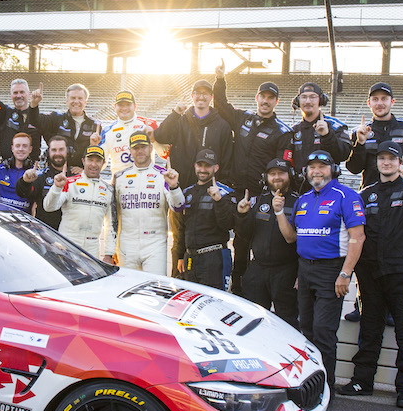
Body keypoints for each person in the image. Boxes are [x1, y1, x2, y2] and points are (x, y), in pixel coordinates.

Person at [339, 142, 403, 409]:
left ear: (400, 162)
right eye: (381, 158)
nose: (386, 163)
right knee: (369, 329)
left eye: (391, 159)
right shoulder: (365, 193)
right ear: (376, 162)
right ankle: (362, 380)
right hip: (370, 274)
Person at [345, 81, 403, 331]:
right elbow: (353, 167)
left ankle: (396, 307)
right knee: (367, 252)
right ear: (369, 103)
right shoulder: (361, 130)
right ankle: (363, 304)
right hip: (370, 202)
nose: (380, 103)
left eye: (385, 98)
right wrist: (359, 143)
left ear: (392, 102)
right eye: (375, 99)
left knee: (402, 253)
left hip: (402, 202)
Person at [279, 150, 365, 387]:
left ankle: (326, 389)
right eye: (312, 167)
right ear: (305, 172)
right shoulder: (303, 199)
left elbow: (358, 237)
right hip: (305, 271)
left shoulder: (346, 196)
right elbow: (296, 238)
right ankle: (308, 386)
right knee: (305, 330)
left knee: (324, 332)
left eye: (322, 166)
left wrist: (345, 274)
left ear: (333, 170)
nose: (317, 171)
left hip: (332, 271)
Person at [212, 62, 291, 295]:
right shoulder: (243, 119)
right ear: (257, 98)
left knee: (257, 243)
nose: (266, 101)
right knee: (238, 242)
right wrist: (220, 79)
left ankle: (255, 288)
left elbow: (281, 169)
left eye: (271, 98)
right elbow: (222, 105)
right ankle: (236, 287)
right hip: (236, 191)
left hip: (260, 195)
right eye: (263, 96)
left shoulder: (282, 131)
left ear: (276, 102)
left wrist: (274, 194)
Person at [235, 158, 299, 328]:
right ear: (266, 177)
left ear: (289, 175)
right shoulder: (257, 201)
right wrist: (242, 215)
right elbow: (244, 235)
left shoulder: (298, 201)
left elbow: (298, 239)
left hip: (286, 272)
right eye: (272, 174)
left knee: (287, 323)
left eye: (281, 173)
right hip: (258, 270)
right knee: (253, 322)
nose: (277, 177)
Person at [111, 131, 183, 274]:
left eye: (143, 147)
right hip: (127, 246)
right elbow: (113, 217)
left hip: (155, 245)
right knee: (128, 292)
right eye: (136, 148)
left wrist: (174, 186)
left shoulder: (164, 175)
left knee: (154, 292)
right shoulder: (119, 177)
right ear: (130, 151)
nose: (140, 151)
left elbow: (178, 207)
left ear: (151, 148)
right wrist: (111, 248)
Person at [171, 149, 237, 290]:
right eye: (200, 165)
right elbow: (182, 227)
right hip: (190, 258)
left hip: (214, 258)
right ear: (195, 166)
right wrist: (180, 255)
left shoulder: (225, 193)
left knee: (215, 305)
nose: (203, 170)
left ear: (216, 168)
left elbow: (228, 225)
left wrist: (219, 201)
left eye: (207, 166)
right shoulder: (187, 192)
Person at [156, 79, 233, 190]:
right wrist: (176, 113)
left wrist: (222, 187)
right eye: (198, 93)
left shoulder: (222, 126)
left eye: (205, 93)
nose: (201, 97)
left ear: (211, 97)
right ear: (192, 96)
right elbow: (160, 136)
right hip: (179, 186)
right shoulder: (180, 121)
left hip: (209, 191)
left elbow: (227, 160)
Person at [43, 145, 117, 260]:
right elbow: (49, 207)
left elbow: (111, 225)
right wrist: (56, 188)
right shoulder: (69, 183)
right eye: (90, 160)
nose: (93, 164)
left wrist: (108, 254)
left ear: (103, 163)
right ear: (83, 161)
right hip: (67, 244)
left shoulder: (108, 190)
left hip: (92, 248)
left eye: (98, 161)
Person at [286, 82, 352, 187]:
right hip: (299, 191)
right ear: (298, 101)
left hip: (327, 189)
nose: (308, 101)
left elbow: (344, 155)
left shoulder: (336, 126)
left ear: (320, 100)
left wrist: (327, 135)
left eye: (313, 97)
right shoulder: (293, 130)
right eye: (304, 97)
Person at [0, 55, 43, 161]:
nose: (18, 95)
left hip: (30, 168)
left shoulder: (38, 117)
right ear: (11, 96)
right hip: (8, 167)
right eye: (15, 93)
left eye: (22, 92)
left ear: (28, 94)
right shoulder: (4, 113)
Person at [35, 83, 99, 171]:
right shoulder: (56, 118)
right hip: (55, 173)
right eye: (73, 98)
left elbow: (100, 157)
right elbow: (35, 121)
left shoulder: (95, 125)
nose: (76, 101)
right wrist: (34, 105)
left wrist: (85, 170)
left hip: (80, 177)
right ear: (67, 100)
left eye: (80, 98)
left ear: (85, 102)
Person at [94, 90, 160, 176]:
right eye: (120, 105)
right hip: (120, 184)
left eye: (128, 105)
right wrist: (94, 146)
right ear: (115, 107)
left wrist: (153, 139)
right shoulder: (107, 131)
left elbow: (163, 153)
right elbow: (100, 164)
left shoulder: (149, 125)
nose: (124, 108)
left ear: (135, 106)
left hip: (147, 182)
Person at [16, 135, 70, 230]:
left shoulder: (76, 177)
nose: (57, 153)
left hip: (68, 235)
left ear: (67, 151)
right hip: (45, 234)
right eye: (54, 150)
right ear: (48, 152)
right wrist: (25, 181)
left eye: (61, 149)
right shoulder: (41, 176)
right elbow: (23, 193)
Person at [0, 131, 37, 212]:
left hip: (22, 221)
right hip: (0, 219)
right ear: (12, 148)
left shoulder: (34, 174)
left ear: (30, 149)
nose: (21, 149)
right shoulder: (0, 169)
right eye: (17, 146)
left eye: (24, 146)